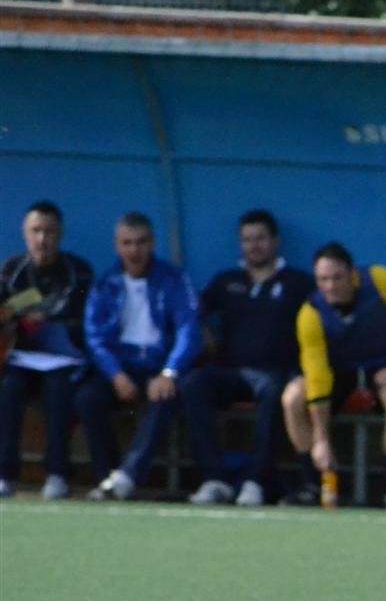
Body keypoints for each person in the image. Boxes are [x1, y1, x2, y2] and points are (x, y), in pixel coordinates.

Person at [280, 242, 386, 508]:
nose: (330, 286)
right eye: (323, 279)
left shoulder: (381, 281)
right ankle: (312, 484)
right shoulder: (310, 313)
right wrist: (321, 439)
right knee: (292, 398)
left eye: (337, 277)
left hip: (384, 366)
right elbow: (318, 376)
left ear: (352, 274)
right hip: (339, 372)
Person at [182, 209, 314, 507]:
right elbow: (189, 314)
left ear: (275, 241)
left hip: (275, 373)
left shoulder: (298, 283)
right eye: (247, 240)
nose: (254, 245)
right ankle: (215, 480)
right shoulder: (227, 281)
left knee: (273, 391)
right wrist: (203, 331)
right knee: (193, 384)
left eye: (261, 239)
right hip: (230, 371)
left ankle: (256, 481)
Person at [79, 212, 203, 501]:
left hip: (158, 368)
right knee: (87, 398)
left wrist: (170, 371)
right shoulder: (105, 284)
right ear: (117, 246)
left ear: (152, 243)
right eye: (127, 243)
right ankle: (106, 475)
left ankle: (128, 475)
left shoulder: (173, 280)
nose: (134, 250)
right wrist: (115, 374)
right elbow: (94, 336)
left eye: (141, 242)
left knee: (164, 396)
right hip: (120, 368)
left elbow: (189, 329)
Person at [0, 201, 95, 499]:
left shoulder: (78, 272)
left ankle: (57, 474)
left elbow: (86, 324)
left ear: (61, 234)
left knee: (59, 390)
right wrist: (15, 320)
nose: (42, 239)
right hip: (21, 360)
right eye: (36, 231)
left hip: (63, 362)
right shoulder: (11, 271)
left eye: (49, 232)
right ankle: (5, 475)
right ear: (25, 234)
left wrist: (53, 325)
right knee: (9, 387)